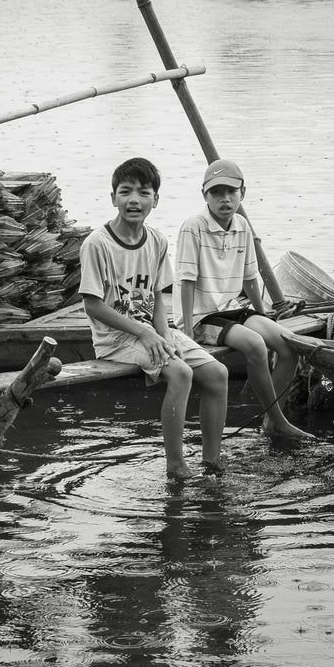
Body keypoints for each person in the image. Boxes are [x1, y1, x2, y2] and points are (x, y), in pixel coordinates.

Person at [79, 157, 230, 478]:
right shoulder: (97, 244)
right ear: (113, 198)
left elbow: (159, 299)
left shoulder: (157, 241)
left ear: (155, 200)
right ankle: (175, 465)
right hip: (115, 339)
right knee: (181, 374)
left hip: (151, 331)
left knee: (217, 373)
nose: (134, 200)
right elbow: (93, 306)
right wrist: (146, 335)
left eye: (143, 193)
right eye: (125, 192)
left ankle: (212, 462)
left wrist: (165, 335)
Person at [173, 159, 313, 439]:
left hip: (233, 309)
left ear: (242, 193)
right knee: (256, 345)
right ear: (205, 195)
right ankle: (276, 420)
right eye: (217, 193)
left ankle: (273, 419)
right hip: (203, 317)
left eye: (231, 193)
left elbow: (250, 279)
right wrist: (187, 332)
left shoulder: (242, 226)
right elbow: (186, 281)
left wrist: (263, 315)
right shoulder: (193, 226)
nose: (224, 199)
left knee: (289, 345)